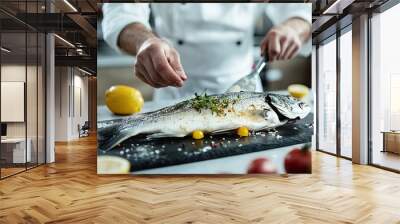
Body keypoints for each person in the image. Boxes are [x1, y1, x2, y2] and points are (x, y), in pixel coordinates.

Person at [102, 3, 311, 101]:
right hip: (174, 92)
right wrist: (145, 42)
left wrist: (293, 28)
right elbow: (120, 12)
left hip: (242, 89)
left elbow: (301, 12)